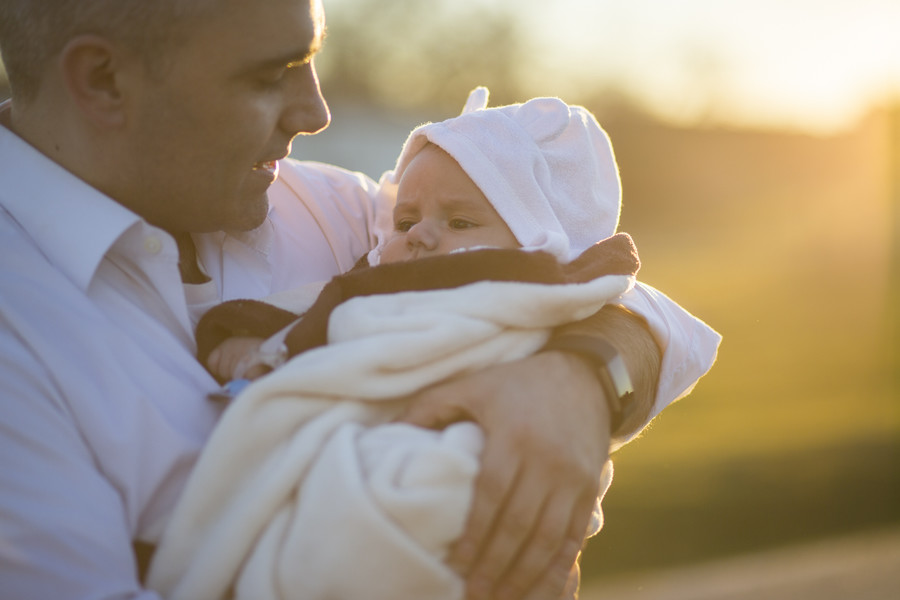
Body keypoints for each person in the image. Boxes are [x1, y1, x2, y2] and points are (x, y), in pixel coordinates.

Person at [0, 1, 720, 599]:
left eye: (311, 61)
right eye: (269, 74)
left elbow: (565, 269)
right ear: (102, 81)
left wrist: (580, 377)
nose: (315, 112)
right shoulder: (18, 337)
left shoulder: (327, 207)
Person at [146, 89, 653, 600]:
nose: (421, 236)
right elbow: (313, 306)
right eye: (406, 222)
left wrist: (585, 374)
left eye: (459, 223)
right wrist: (258, 338)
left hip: (462, 467)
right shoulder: (380, 273)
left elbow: (640, 307)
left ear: (539, 242)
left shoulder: (529, 290)